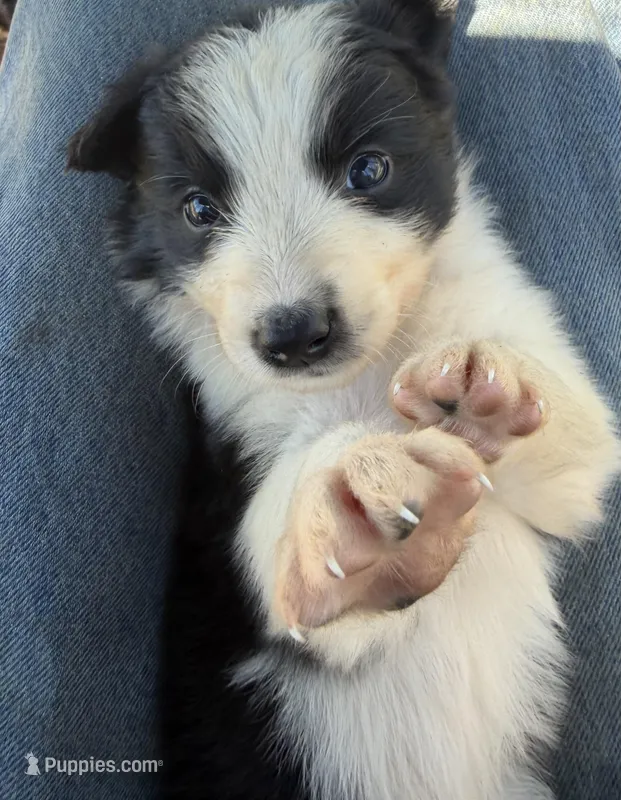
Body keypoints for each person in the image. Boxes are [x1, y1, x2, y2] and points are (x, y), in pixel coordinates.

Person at [0, 0, 619, 797]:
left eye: (365, 171)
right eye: (202, 211)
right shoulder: (219, 362)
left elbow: (573, 483)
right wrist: (322, 509)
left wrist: (513, 402)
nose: (287, 306)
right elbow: (282, 573)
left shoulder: (465, 281)